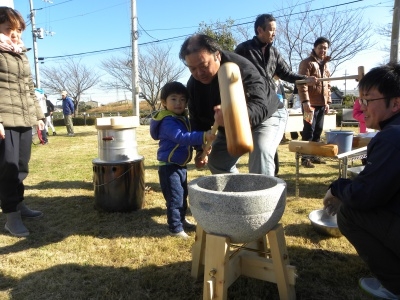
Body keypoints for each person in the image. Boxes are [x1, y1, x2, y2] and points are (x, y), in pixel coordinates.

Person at [323, 63, 400, 299]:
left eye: (367, 100)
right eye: (360, 101)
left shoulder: (393, 136)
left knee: (349, 212)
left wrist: (336, 188)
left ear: (396, 103)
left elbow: (364, 196)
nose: (361, 108)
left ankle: (395, 284)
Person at [179, 34, 282, 176]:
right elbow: (197, 121)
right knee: (217, 161)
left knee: (261, 152)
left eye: (203, 65)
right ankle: (236, 195)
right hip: (227, 124)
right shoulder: (193, 86)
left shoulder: (241, 67)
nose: (199, 73)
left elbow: (260, 105)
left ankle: (261, 196)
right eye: (192, 69)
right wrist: (200, 149)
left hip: (268, 116)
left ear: (218, 56)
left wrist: (232, 116)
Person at [234, 13, 317, 173]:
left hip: (273, 107)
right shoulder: (243, 50)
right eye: (271, 30)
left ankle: (265, 185)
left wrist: (305, 78)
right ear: (260, 30)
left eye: (275, 30)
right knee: (255, 149)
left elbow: (286, 73)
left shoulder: (275, 53)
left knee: (262, 148)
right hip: (250, 108)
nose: (274, 33)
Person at [150, 81, 215, 239]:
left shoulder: (181, 118)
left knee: (182, 194)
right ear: (164, 102)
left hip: (180, 165)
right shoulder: (168, 121)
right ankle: (175, 228)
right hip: (169, 167)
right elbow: (181, 137)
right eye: (174, 99)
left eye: (182, 99)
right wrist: (203, 135)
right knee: (175, 197)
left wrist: (202, 146)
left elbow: (190, 137)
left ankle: (181, 220)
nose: (179, 103)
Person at [0, 6, 44, 237]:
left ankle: (19, 204)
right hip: (4, 120)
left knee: (21, 166)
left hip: (24, 117)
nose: (14, 34)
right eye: (8, 29)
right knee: (8, 169)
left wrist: (38, 116)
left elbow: (29, 88)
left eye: (17, 30)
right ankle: (11, 217)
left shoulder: (20, 52)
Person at [297, 36, 332, 168]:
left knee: (318, 130)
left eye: (325, 48)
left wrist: (328, 101)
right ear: (315, 48)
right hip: (309, 104)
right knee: (308, 131)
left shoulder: (326, 64)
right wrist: (305, 101)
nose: (323, 50)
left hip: (322, 104)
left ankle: (315, 156)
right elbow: (301, 84)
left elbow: (328, 84)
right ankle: (305, 159)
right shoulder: (306, 63)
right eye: (321, 47)